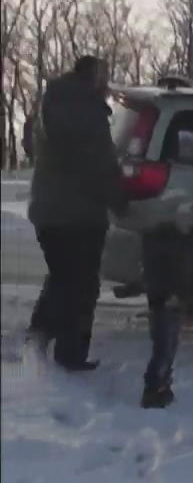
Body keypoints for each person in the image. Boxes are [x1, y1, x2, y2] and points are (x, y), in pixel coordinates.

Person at [26, 55, 126, 371]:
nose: (107, 83)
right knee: (81, 285)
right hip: (80, 214)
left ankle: (38, 338)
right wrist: (120, 198)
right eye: (104, 75)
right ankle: (69, 356)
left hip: (47, 210)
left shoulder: (51, 103)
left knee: (62, 278)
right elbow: (98, 163)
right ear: (94, 75)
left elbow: (32, 144)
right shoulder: (87, 111)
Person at [138, 202, 193, 409]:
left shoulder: (187, 240)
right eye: (184, 217)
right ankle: (152, 389)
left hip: (176, 302)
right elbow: (156, 275)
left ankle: (163, 385)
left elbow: (189, 273)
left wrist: (190, 300)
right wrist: (166, 295)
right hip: (163, 302)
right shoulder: (162, 242)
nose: (188, 222)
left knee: (170, 347)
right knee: (163, 348)